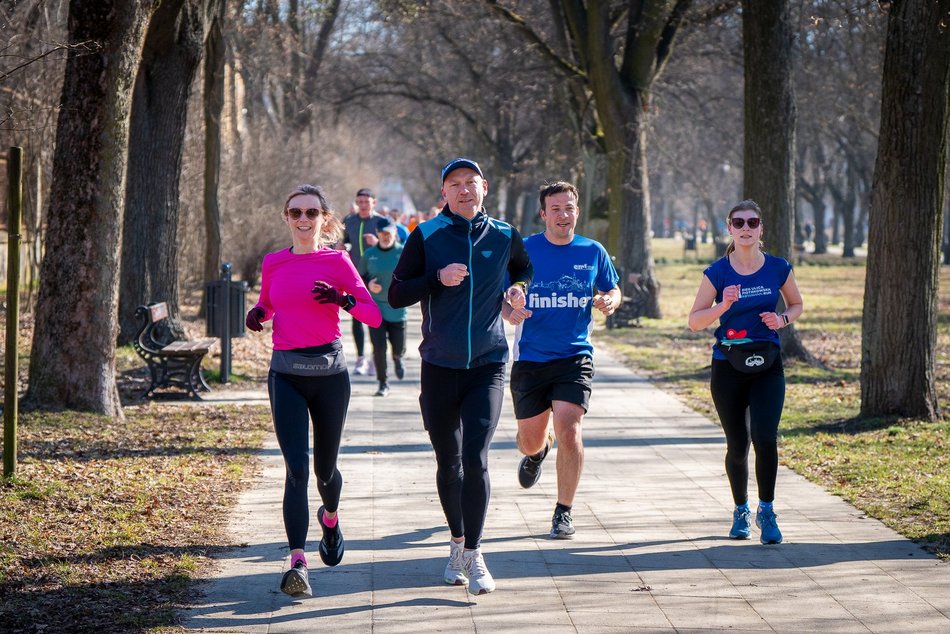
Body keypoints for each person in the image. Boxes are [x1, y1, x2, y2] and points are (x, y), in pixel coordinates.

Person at [389, 158, 532, 595]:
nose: (465, 190)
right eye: (456, 184)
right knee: (448, 463)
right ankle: (455, 543)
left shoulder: (505, 234)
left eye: (472, 182)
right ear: (444, 193)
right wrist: (437, 278)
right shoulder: (426, 235)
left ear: (484, 187)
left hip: (488, 363)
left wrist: (515, 290)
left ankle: (474, 552)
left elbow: (522, 268)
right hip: (439, 366)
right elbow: (397, 292)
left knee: (477, 458)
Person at [245, 184, 382, 598]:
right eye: (295, 213)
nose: (303, 220)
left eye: (311, 213)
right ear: (286, 217)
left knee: (325, 471)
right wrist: (258, 312)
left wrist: (342, 299)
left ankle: (332, 517)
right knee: (295, 471)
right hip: (285, 373)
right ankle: (297, 563)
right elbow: (270, 302)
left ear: (324, 218)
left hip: (329, 376)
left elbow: (374, 317)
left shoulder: (338, 260)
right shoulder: (273, 262)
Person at [502, 181, 621, 540]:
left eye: (569, 208)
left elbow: (611, 287)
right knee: (529, 441)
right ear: (543, 214)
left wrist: (611, 300)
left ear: (577, 211)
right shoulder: (525, 250)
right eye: (556, 209)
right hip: (532, 359)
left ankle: (563, 511)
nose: (563, 215)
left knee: (571, 429)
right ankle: (538, 452)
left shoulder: (592, 250)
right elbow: (504, 294)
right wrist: (509, 311)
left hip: (575, 356)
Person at [687, 199, 803, 545]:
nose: (746, 228)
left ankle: (766, 512)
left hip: (768, 364)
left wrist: (782, 319)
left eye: (753, 222)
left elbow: (796, 303)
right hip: (728, 366)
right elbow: (694, 321)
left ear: (761, 228)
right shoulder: (718, 272)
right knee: (738, 444)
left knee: (765, 438)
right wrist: (723, 305)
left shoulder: (779, 268)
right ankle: (741, 510)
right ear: (730, 228)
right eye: (739, 223)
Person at [357, 217, 408, 397]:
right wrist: (369, 283)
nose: (385, 236)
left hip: (397, 308)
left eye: (389, 233)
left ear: (395, 232)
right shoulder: (369, 254)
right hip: (375, 309)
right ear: (377, 234)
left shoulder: (404, 252)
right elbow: (358, 279)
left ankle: (398, 358)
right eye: (382, 233)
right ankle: (383, 382)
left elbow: (414, 276)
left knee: (398, 346)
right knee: (378, 348)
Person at [342, 188, 387, 376]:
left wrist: (377, 242)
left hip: (377, 275)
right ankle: (360, 358)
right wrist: (341, 247)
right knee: (356, 316)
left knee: (376, 318)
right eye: (359, 202)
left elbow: (393, 247)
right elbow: (342, 242)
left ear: (373, 203)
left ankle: (375, 360)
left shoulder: (381, 222)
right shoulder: (349, 221)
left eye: (366, 202)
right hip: (355, 276)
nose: (362, 205)